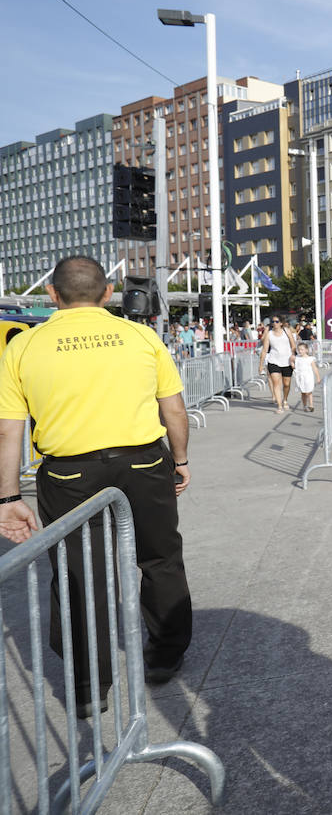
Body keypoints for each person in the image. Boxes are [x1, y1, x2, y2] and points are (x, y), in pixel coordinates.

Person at [0, 255, 193, 717]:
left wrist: (8, 497)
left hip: (70, 473)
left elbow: (9, 430)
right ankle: (165, 656)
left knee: (78, 573)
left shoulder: (24, 346)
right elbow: (175, 409)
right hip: (144, 462)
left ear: (52, 295)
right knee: (161, 557)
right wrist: (180, 460)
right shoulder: (141, 335)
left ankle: (90, 684)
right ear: (109, 293)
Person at [260, 316, 297, 414]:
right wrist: (260, 365)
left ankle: (285, 399)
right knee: (276, 383)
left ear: (281, 323)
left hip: (287, 361)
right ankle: (279, 406)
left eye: (277, 321)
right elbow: (264, 350)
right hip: (273, 361)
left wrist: (293, 355)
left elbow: (293, 345)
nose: (274, 323)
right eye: (273, 321)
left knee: (286, 384)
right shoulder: (269, 334)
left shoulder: (287, 331)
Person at [292, 341, 322, 412]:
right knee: (303, 392)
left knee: (309, 391)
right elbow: (292, 361)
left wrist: (318, 377)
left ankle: (311, 405)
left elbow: (314, 368)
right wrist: (292, 365)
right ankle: (304, 405)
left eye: (302, 349)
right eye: (299, 349)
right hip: (300, 377)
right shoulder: (297, 358)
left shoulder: (310, 358)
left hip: (308, 377)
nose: (300, 351)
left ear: (306, 350)